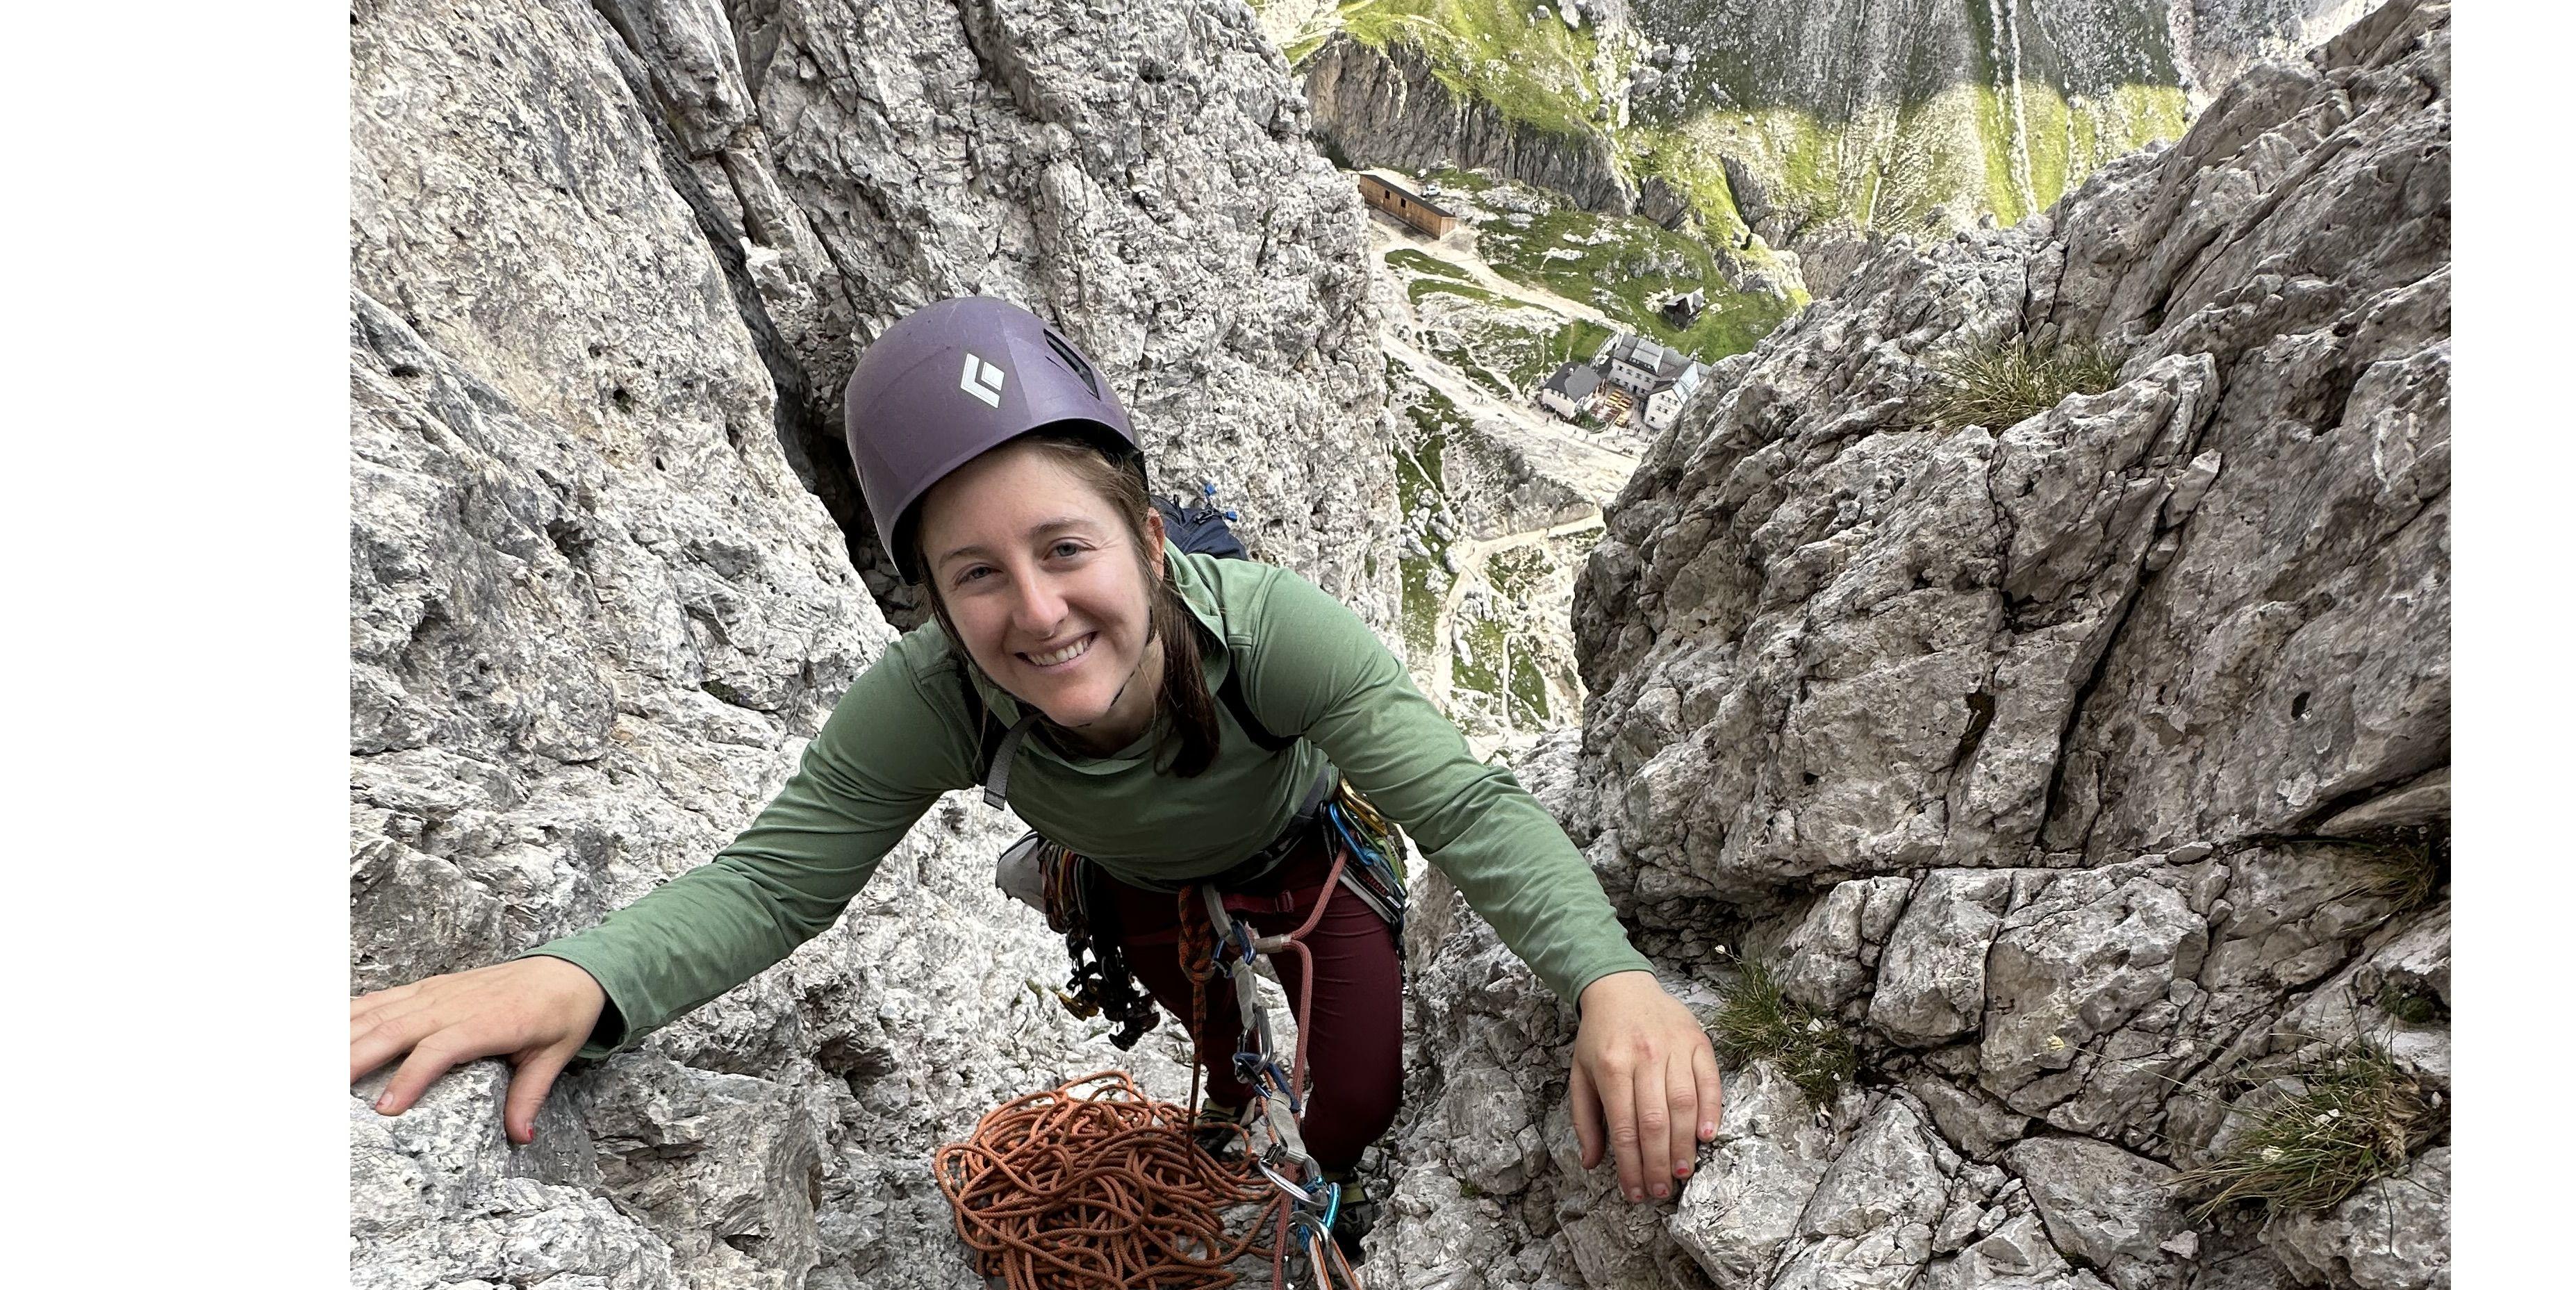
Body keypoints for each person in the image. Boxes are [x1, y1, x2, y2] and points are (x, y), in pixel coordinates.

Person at [349, 296, 1721, 1204]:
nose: (1039, 609)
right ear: (938, 602)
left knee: (1354, 1100)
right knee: (1237, 1067)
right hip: (1126, 886)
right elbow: (776, 885)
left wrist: (1611, 980)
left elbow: (1471, 810)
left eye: (1067, 549)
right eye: (977, 575)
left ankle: (1326, 1211)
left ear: (1149, 541)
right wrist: (584, 976)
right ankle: (1247, 1129)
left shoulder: (1277, 638)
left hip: (1303, 857)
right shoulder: (933, 698)